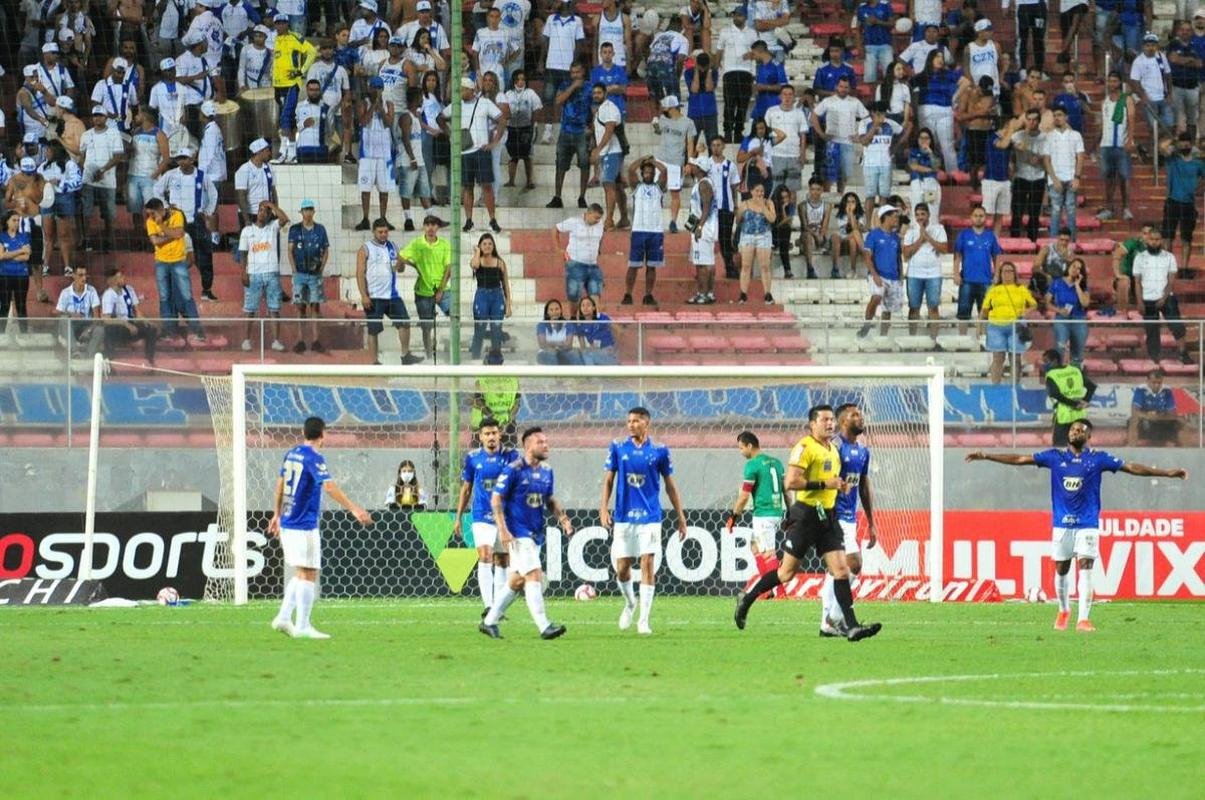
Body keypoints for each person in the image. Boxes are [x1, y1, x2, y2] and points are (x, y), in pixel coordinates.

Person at [965, 420, 1187, 632]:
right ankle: (1063, 611)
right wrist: (986, 456)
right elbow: (1020, 459)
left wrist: (1166, 473)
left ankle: (1083, 619)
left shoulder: (1098, 459)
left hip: (1087, 524)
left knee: (1086, 569)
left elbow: (1132, 468)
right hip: (1062, 525)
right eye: (1072, 430)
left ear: (1088, 436)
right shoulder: (1054, 457)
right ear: (1068, 435)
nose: (1075, 433)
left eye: (1080, 430)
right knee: (1061, 571)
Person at [734, 404, 882, 642]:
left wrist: (839, 487)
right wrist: (825, 485)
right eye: (824, 420)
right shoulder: (804, 447)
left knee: (841, 570)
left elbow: (834, 482)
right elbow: (791, 482)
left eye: (831, 420)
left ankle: (851, 626)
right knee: (785, 573)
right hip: (806, 516)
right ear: (812, 424)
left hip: (828, 516)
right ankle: (748, 597)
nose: (830, 424)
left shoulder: (833, 450)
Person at [269, 416, 374, 640]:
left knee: (301, 572)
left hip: (288, 521)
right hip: (303, 523)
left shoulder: (292, 453)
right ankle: (303, 625)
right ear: (322, 434)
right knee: (309, 573)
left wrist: (276, 514)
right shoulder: (314, 457)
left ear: (304, 432)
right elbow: (329, 486)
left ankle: (284, 617)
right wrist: (354, 508)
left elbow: (279, 484)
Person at [479, 427, 574, 640]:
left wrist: (563, 519)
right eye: (541, 442)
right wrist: (503, 530)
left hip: (535, 532)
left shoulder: (547, 470)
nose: (546, 445)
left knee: (516, 581)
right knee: (534, 575)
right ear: (527, 446)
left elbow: (549, 499)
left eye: (546, 441)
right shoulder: (513, 469)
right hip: (517, 533)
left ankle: (489, 621)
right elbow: (496, 499)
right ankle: (544, 626)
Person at [599, 407, 688, 636]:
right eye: (628, 421)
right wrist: (603, 508)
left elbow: (670, 486)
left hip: (650, 517)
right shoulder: (618, 447)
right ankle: (630, 603)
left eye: (636, 421)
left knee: (647, 563)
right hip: (623, 516)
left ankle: (644, 620)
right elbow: (608, 480)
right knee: (622, 569)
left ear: (646, 423)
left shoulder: (659, 450)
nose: (631, 425)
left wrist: (681, 517)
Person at [816, 403, 879, 636]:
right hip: (834, 515)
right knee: (854, 563)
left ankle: (827, 622)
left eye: (861, 415)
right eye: (855, 415)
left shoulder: (863, 451)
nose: (860, 418)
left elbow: (863, 485)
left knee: (837, 570)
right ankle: (835, 616)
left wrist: (871, 522)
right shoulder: (834, 448)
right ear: (843, 421)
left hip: (850, 518)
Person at [455, 418, 522, 619]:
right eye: (487, 434)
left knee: (502, 560)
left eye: (494, 433)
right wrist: (458, 516)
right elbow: (466, 489)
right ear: (480, 436)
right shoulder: (473, 458)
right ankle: (488, 605)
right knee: (485, 555)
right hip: (481, 515)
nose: (491, 437)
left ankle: (498, 608)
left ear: (500, 434)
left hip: (504, 517)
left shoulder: (511, 456)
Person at [724, 430, 787, 601]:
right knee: (754, 545)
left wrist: (733, 517)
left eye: (741, 448)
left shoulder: (752, 465)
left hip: (763, 514)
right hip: (776, 512)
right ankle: (767, 590)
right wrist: (789, 511)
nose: (741, 452)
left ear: (750, 446)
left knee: (769, 554)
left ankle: (781, 594)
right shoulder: (776, 463)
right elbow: (786, 490)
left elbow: (744, 496)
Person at [155, 146, 219, 301]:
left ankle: (206, 289)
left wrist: (208, 212)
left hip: (196, 220)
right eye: (179, 158)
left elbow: (213, 193)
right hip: (177, 222)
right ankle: (172, 288)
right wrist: (165, 206)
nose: (181, 161)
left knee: (204, 255)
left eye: (184, 158)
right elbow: (156, 189)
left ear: (192, 159)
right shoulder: (171, 175)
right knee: (175, 255)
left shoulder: (202, 176)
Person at [356, 217, 421, 365]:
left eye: (385, 232)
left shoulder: (392, 246)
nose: (383, 234)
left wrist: (401, 265)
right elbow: (359, 273)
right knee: (373, 330)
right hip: (374, 296)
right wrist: (364, 295)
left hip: (392, 295)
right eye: (380, 232)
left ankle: (405, 355)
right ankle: (374, 362)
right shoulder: (365, 248)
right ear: (374, 232)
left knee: (405, 322)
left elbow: (401, 268)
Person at [143, 197, 205, 344]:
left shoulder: (176, 215)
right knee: (164, 298)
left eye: (152, 214)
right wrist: (172, 235)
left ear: (160, 210)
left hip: (178, 261)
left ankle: (198, 332)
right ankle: (168, 332)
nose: (150, 217)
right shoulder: (150, 222)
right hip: (161, 262)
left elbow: (179, 234)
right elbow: (155, 241)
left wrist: (163, 229)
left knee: (187, 296)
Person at [448, 76, 504, 234]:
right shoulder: (455, 105)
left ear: (470, 90)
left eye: (461, 89)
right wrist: (450, 134)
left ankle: (492, 219)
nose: (458, 92)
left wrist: (494, 142)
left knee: (486, 186)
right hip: (463, 152)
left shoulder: (484, 103)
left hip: (481, 150)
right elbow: (440, 118)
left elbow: (502, 119)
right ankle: (468, 220)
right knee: (467, 187)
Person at [1131, 227, 1192, 364]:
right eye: (1152, 239)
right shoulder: (1140, 258)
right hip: (1147, 299)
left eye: (1157, 239)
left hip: (1167, 298)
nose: (1154, 242)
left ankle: (1183, 353)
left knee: (1177, 326)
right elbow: (1137, 282)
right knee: (1152, 331)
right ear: (1147, 240)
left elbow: (1171, 281)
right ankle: (1155, 360)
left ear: (1161, 241)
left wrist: (1164, 298)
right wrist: (1139, 302)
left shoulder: (1169, 257)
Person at [238, 200, 290, 353]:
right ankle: (246, 340)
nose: (262, 212)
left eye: (265, 211)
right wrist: (243, 272)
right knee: (250, 309)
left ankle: (276, 341)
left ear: (269, 215)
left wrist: (272, 206)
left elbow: (284, 219)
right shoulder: (247, 231)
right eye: (260, 210)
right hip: (253, 274)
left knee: (274, 309)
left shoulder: (273, 228)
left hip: (272, 273)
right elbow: (242, 254)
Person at [399, 214, 453, 361]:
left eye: (433, 224)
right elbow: (400, 256)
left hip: (442, 288)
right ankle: (429, 357)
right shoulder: (417, 243)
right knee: (426, 326)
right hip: (423, 290)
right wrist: (414, 265)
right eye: (427, 224)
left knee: (455, 316)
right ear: (423, 226)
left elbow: (449, 267)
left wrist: (441, 289)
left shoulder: (445, 244)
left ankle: (453, 352)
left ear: (438, 227)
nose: (430, 227)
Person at [545, 62, 592, 211]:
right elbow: (558, 101)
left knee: (584, 164)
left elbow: (596, 107)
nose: (575, 75)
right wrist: (572, 87)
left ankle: (582, 197)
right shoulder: (565, 84)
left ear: (583, 72)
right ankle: (558, 197)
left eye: (577, 72)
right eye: (572, 72)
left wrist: (592, 128)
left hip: (583, 132)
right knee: (560, 164)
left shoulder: (590, 86)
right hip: (565, 131)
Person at [981, 262, 1037, 384]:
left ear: (1014, 274)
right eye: (1005, 271)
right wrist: (979, 326)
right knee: (998, 358)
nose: (1007, 274)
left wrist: (1025, 312)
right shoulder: (994, 289)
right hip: (996, 325)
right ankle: (995, 387)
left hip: (1016, 325)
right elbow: (985, 309)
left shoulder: (1021, 289)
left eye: (1010, 271)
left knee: (1015, 358)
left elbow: (1034, 304)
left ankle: (1014, 387)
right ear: (1000, 274)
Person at [78, 106, 124, 252]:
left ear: (106, 118)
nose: (97, 118)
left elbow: (118, 156)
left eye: (100, 115)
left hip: (108, 179)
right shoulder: (86, 135)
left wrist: (102, 170)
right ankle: (86, 240)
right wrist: (84, 171)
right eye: (94, 115)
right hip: (88, 179)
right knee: (86, 211)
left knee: (109, 213)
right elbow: (82, 156)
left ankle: (109, 241)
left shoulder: (114, 133)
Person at [623, 156, 668, 306]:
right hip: (639, 231)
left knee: (652, 266)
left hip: (655, 232)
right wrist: (642, 159)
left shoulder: (659, 188)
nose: (648, 174)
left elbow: (665, 171)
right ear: (642, 173)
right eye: (646, 172)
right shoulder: (637, 187)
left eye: (651, 172)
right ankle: (628, 294)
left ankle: (648, 295)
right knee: (633, 265)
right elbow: (630, 169)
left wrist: (653, 161)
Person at [811, 76, 869, 192]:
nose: (843, 89)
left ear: (849, 89)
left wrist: (859, 135)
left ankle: (840, 196)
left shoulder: (855, 102)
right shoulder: (828, 101)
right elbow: (814, 116)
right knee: (829, 175)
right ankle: (826, 198)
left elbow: (867, 118)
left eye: (846, 87)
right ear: (836, 86)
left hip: (848, 143)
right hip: (832, 143)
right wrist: (821, 134)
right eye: (841, 86)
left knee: (845, 175)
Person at [1157, 133, 1205, 271]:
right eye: (1182, 142)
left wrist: (1199, 188)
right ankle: (1168, 267)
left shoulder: (1198, 164)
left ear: (1191, 144)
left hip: (1189, 204)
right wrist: (1174, 139)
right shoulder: (1173, 160)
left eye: (1187, 142)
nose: (1185, 145)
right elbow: (1162, 147)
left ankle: (1184, 268)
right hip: (1172, 201)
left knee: (1186, 238)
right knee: (1167, 237)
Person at [288, 199, 330, 354]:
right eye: (305, 210)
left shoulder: (320, 229)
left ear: (313, 211)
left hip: (314, 274)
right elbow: (290, 250)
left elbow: (326, 250)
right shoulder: (294, 229)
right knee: (300, 306)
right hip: (299, 273)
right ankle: (300, 339)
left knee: (315, 305)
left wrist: (322, 268)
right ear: (301, 212)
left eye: (310, 209)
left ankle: (315, 340)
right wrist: (293, 271)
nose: (307, 212)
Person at [953, 204, 1002, 335]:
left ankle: (983, 341)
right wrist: (956, 273)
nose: (978, 218)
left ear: (985, 218)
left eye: (981, 216)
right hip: (967, 280)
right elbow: (957, 255)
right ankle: (961, 340)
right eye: (976, 216)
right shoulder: (964, 235)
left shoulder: (990, 236)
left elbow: (997, 256)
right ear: (971, 217)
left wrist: (997, 274)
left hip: (986, 280)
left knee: (985, 313)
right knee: (963, 313)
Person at [901, 201, 947, 338]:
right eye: (917, 215)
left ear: (928, 215)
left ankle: (934, 339)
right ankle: (912, 339)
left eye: (923, 214)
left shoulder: (939, 229)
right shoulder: (910, 232)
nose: (920, 217)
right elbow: (906, 254)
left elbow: (944, 249)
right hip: (914, 275)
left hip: (934, 274)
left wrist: (929, 238)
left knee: (933, 306)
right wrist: (921, 239)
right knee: (914, 307)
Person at [651, 95, 696, 233]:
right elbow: (658, 131)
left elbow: (690, 144)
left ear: (671, 108)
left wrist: (689, 163)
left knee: (675, 193)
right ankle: (655, 220)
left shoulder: (688, 122)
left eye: (665, 106)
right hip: (660, 160)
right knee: (656, 192)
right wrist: (655, 124)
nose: (663, 108)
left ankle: (673, 222)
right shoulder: (663, 119)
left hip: (676, 163)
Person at [1096, 72, 1136, 222]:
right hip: (1106, 145)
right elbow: (1104, 125)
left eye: (1114, 81)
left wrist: (1130, 140)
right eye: (1109, 81)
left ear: (1119, 83)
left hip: (1121, 144)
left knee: (1125, 177)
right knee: (1108, 178)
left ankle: (1126, 208)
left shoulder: (1127, 100)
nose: (1111, 84)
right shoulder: (1104, 102)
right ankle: (1109, 207)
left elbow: (1131, 120)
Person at [702, 135, 742, 279]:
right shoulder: (706, 164)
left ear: (723, 146)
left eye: (718, 145)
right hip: (710, 209)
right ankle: (704, 270)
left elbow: (733, 188)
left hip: (726, 208)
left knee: (725, 239)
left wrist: (735, 206)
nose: (716, 148)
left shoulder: (730, 165)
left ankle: (730, 267)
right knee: (707, 239)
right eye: (713, 145)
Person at [860, 205, 904, 337]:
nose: (897, 219)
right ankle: (866, 326)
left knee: (888, 309)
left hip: (894, 277)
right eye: (895, 217)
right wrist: (874, 275)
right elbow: (867, 256)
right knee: (876, 297)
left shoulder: (896, 237)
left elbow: (898, 258)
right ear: (886, 217)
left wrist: (900, 276)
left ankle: (883, 336)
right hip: (878, 274)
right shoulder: (873, 235)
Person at [1042, 104, 1085, 240]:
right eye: (1055, 116)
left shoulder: (1076, 135)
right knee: (1055, 210)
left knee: (1071, 209)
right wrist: (1054, 179)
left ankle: (1071, 241)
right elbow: (1046, 160)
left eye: (1059, 115)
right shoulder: (1048, 136)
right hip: (1055, 179)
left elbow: (1080, 157)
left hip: (1071, 177)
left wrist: (1077, 177)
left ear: (1066, 117)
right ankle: (1054, 242)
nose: (1057, 118)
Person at [717, 5, 758, 143]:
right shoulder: (725, 31)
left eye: (739, 15)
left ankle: (738, 132)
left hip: (746, 72)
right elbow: (719, 51)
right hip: (729, 72)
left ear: (745, 17)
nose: (737, 17)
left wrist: (753, 73)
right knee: (729, 104)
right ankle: (727, 132)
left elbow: (755, 53)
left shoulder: (752, 33)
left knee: (743, 104)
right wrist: (719, 70)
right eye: (735, 15)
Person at [591, 81, 628, 230]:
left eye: (599, 93)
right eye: (594, 93)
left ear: (605, 93)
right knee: (617, 187)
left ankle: (609, 220)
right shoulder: (602, 109)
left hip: (612, 152)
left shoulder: (609, 108)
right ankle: (624, 218)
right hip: (609, 151)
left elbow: (609, 130)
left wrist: (598, 149)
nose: (596, 95)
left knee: (609, 186)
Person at [99, 267, 157, 363]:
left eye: (122, 276)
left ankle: (149, 359)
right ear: (111, 280)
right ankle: (109, 360)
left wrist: (146, 321)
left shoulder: (129, 289)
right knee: (109, 330)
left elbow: (137, 311)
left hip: (131, 323)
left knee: (151, 329)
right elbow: (107, 319)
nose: (123, 278)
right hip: (119, 326)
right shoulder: (108, 295)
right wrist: (126, 324)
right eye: (119, 277)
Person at [468, 233, 511, 360]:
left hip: (497, 297)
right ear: (480, 246)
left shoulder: (500, 263)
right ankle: (475, 358)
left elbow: (506, 286)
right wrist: (477, 252)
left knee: (496, 329)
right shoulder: (478, 260)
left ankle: (496, 359)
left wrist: (508, 305)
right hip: (482, 296)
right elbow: (474, 265)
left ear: (494, 246)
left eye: (490, 244)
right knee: (479, 328)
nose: (487, 246)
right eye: (484, 244)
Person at [1042, 348, 1097, 446]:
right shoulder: (1074, 371)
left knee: (1060, 448)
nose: (1044, 365)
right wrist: (1085, 401)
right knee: (1079, 447)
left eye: (1046, 361)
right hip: (1080, 415)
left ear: (1054, 360)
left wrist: (1074, 404)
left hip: (1063, 416)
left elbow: (1056, 394)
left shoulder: (1051, 375)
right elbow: (1092, 386)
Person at [1008, 108, 1048, 241]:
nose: (1031, 123)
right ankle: (1014, 241)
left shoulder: (1045, 138)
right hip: (1020, 177)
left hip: (1038, 178)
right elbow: (1015, 151)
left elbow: (1046, 158)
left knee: (1034, 213)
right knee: (1017, 212)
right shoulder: (1017, 136)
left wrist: (1039, 159)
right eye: (1029, 119)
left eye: (1034, 120)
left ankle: (1032, 242)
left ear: (1039, 121)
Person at [857, 102, 903, 212]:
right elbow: (864, 142)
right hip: (869, 164)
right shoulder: (864, 123)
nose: (882, 116)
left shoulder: (891, 124)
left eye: (883, 113)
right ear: (872, 113)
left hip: (886, 164)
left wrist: (894, 149)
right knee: (870, 196)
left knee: (884, 196)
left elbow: (904, 131)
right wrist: (875, 126)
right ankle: (868, 225)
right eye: (879, 113)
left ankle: (882, 224)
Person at [553, 204, 606, 302]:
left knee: (596, 294)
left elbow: (601, 235)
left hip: (593, 265)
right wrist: (558, 249)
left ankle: (594, 316)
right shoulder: (574, 221)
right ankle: (574, 317)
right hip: (575, 263)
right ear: (588, 214)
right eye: (596, 218)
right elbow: (555, 229)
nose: (597, 221)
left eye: (599, 218)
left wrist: (599, 248)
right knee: (574, 296)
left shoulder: (600, 224)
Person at [735, 182, 777, 304]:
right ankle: (743, 294)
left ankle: (768, 294)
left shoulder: (769, 203)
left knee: (765, 266)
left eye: (762, 191)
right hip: (748, 236)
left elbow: (772, 219)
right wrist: (740, 213)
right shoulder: (745, 204)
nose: (760, 193)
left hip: (764, 236)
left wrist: (763, 208)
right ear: (752, 191)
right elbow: (738, 220)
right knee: (746, 266)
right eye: (757, 191)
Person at [686, 159, 720, 304]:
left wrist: (699, 226)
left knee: (701, 264)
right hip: (706, 227)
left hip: (704, 228)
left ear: (699, 168)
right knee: (708, 262)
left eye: (693, 165)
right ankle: (710, 293)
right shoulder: (702, 183)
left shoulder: (704, 184)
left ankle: (702, 293)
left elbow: (706, 207)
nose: (691, 166)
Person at [502, 71, 543, 190]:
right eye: (518, 79)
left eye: (523, 79)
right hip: (511, 128)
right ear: (514, 81)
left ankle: (529, 181)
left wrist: (532, 125)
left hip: (526, 128)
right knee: (513, 156)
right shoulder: (508, 94)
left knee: (527, 156)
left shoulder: (530, 93)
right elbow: (503, 109)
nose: (521, 82)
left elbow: (537, 109)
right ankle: (511, 180)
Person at [1129, 33, 1173, 138]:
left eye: (1153, 45)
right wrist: (1143, 95)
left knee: (1169, 126)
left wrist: (1170, 93)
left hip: (1163, 97)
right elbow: (1134, 81)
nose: (1150, 48)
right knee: (1153, 128)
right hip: (1149, 100)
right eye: (1148, 45)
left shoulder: (1161, 57)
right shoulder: (1138, 61)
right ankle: (1155, 151)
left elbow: (1168, 75)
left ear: (1157, 46)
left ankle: (1163, 151)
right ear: (1143, 46)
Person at [55, 265, 103, 355]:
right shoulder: (65, 292)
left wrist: (89, 330)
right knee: (64, 318)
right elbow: (56, 313)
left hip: (86, 325)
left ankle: (88, 356)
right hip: (71, 325)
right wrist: (71, 314)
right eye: (80, 275)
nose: (84, 278)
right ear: (73, 276)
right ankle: (75, 351)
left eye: (85, 275)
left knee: (100, 330)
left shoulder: (91, 291)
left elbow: (97, 318)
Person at [1128, 368, 1184, 446]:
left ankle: (1184, 451)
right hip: (1145, 420)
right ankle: (1131, 449)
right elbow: (1134, 411)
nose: (1157, 385)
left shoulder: (1167, 390)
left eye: (1159, 383)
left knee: (1181, 421)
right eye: (1154, 383)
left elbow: (1172, 413)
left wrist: (1159, 416)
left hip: (1162, 419)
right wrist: (1148, 416)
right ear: (1147, 381)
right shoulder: (1141, 389)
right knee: (1133, 420)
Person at [0, 211, 33, 335]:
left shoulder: (24, 236)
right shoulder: (1, 236)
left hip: (21, 276)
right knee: (4, 306)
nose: (17, 223)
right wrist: (20, 250)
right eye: (14, 220)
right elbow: (1, 255)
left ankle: (24, 335)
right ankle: (1, 336)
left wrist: (8, 255)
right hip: (4, 276)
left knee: (21, 306)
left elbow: (26, 257)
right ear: (7, 221)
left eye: (18, 220)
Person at [1111, 223, 1152, 315]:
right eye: (1145, 233)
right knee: (1124, 282)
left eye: (1150, 233)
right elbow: (1117, 254)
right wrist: (1118, 274)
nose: (1147, 236)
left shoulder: (1157, 248)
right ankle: (1123, 313)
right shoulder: (1133, 243)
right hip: (1128, 275)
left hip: (1142, 278)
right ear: (1141, 234)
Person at [907, 127, 943, 219]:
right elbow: (914, 166)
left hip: (931, 184)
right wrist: (931, 170)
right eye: (921, 138)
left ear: (931, 140)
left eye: (926, 138)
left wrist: (930, 153)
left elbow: (937, 166)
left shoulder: (935, 152)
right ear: (918, 139)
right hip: (917, 182)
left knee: (932, 209)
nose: (924, 140)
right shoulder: (913, 152)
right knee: (917, 208)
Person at [797, 178, 829, 279]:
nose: (815, 192)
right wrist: (815, 235)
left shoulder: (827, 206)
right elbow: (804, 225)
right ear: (809, 190)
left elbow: (825, 225)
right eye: (813, 189)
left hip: (820, 234)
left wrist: (820, 235)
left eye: (818, 189)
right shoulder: (802, 206)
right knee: (807, 236)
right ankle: (810, 268)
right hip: (808, 234)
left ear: (822, 190)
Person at [830, 191, 865, 279]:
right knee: (836, 236)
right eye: (848, 202)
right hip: (842, 240)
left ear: (857, 203)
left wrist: (851, 214)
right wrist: (848, 214)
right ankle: (835, 268)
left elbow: (855, 228)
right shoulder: (840, 215)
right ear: (844, 203)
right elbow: (846, 230)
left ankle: (853, 270)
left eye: (853, 202)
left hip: (854, 240)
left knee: (853, 239)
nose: (850, 204)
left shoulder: (860, 215)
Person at [574, 295, 617, 365]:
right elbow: (583, 348)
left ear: (594, 307)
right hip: (595, 352)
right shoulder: (581, 326)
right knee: (585, 355)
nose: (585, 308)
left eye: (588, 305)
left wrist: (615, 348)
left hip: (608, 350)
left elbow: (617, 330)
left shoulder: (602, 317)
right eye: (583, 305)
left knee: (588, 356)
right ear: (580, 309)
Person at [536, 298, 581, 364]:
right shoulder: (541, 325)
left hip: (564, 352)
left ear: (560, 310)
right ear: (547, 312)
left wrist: (551, 343)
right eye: (551, 310)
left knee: (574, 356)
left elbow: (568, 345)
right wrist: (561, 344)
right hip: (546, 352)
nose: (554, 312)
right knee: (551, 355)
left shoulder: (568, 324)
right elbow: (542, 344)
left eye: (557, 309)